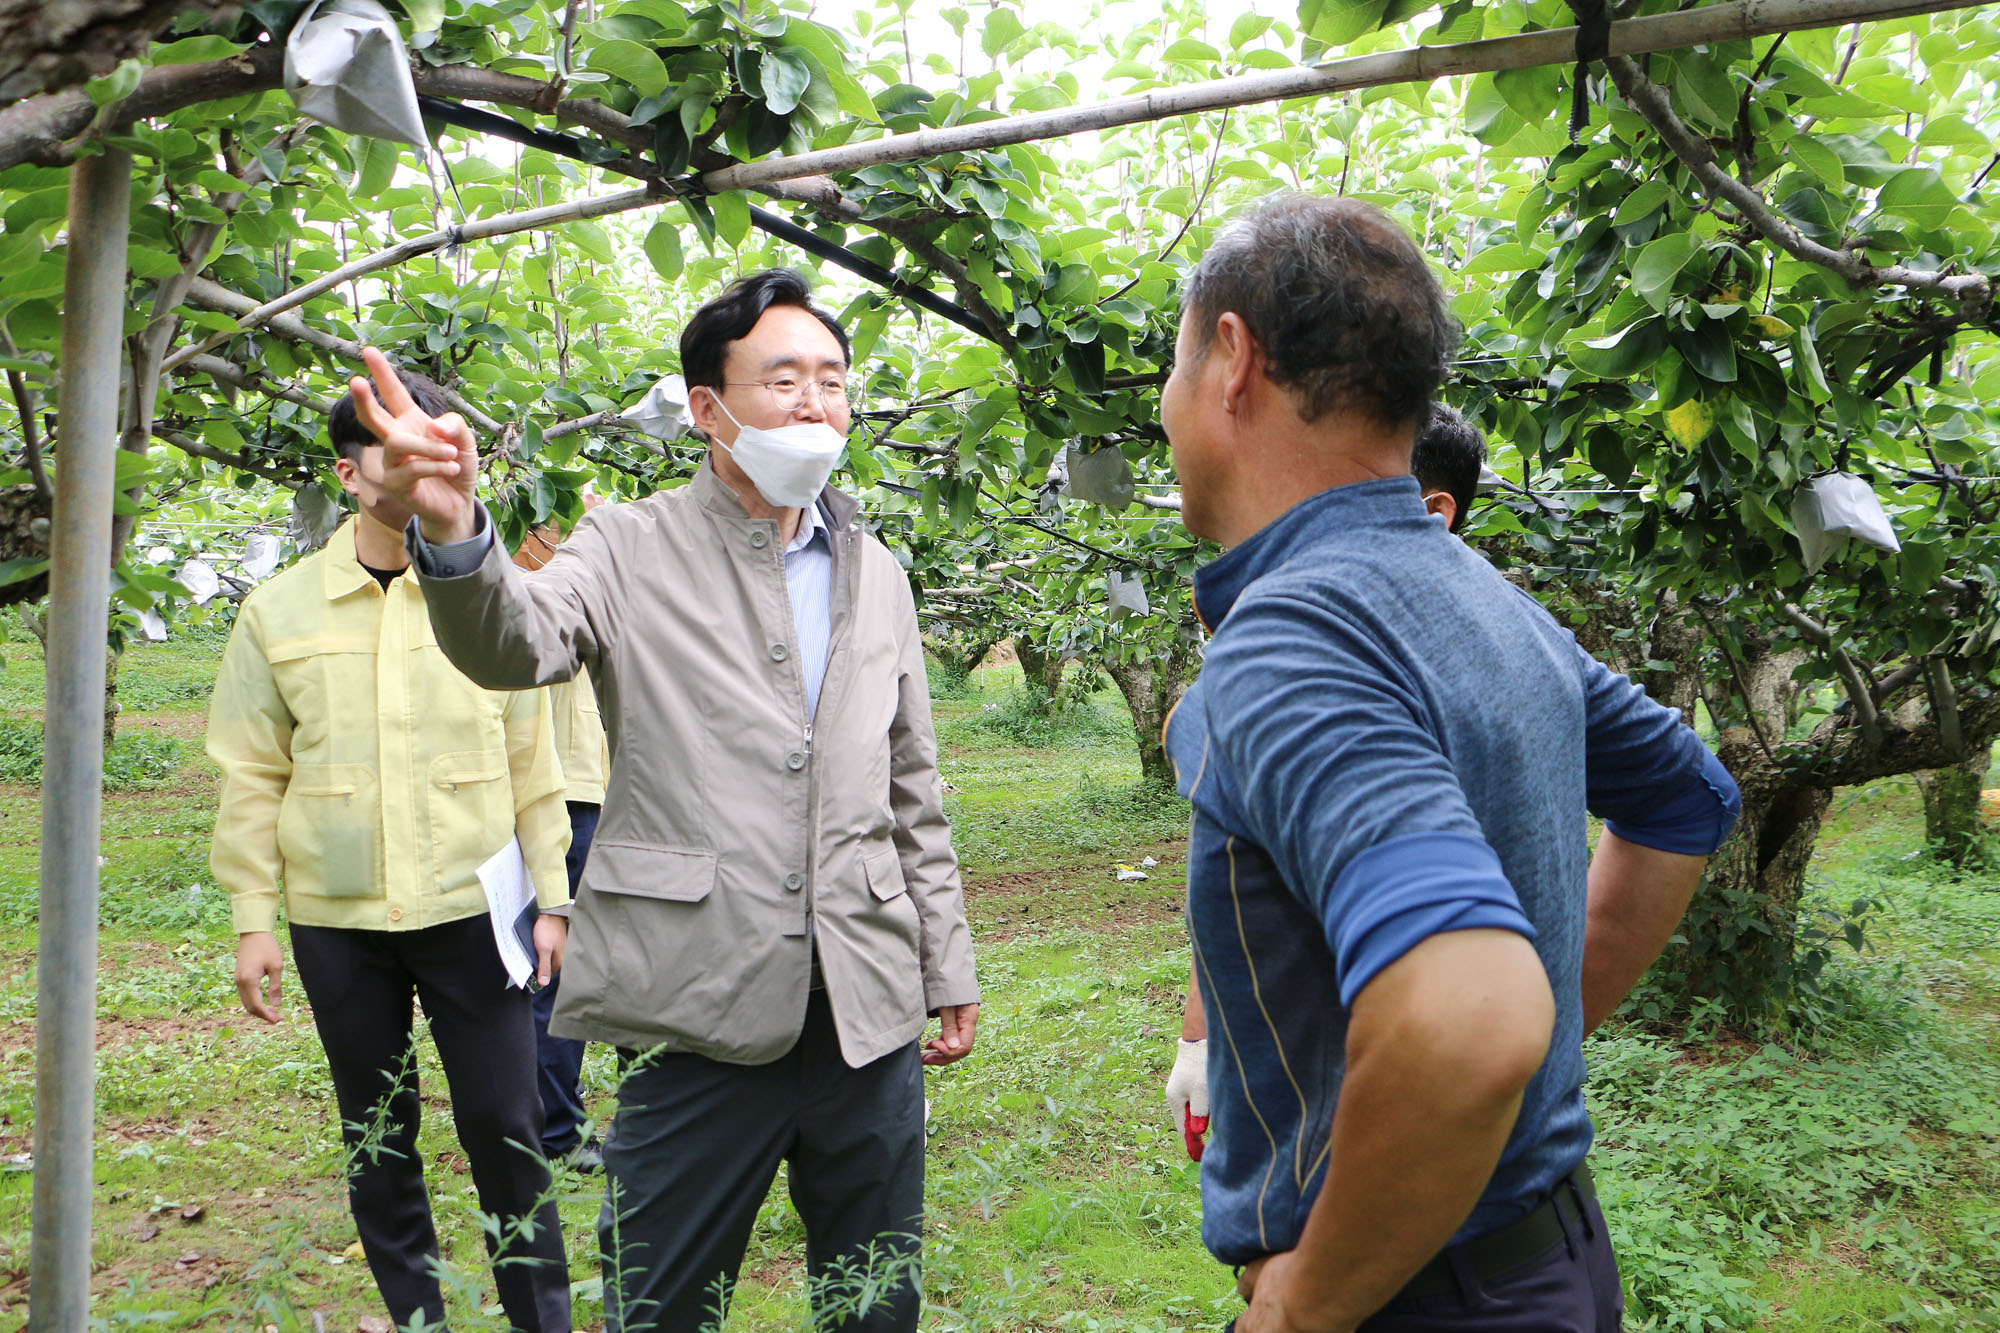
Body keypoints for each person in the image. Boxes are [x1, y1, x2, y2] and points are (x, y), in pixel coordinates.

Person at [345, 268, 981, 1333]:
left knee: (874, 1300)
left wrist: (943, 959)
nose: (813, 405)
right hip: (698, 1000)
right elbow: (520, 642)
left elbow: (908, 779)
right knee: (660, 1300)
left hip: (862, 1001)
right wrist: (457, 530)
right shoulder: (630, 546)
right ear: (708, 409)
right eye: (782, 380)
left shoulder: (878, 568)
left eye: (831, 380)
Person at [1157, 194, 1741, 1332]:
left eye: (1172, 369)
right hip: (1551, 1257)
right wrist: (1538, 1049)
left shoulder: (1291, 634)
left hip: (1419, 1295)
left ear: (1231, 361)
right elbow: (1683, 798)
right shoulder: (1479, 596)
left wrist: (1303, 1308)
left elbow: (1466, 1017)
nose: (1166, 408)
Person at [208, 367, 574, 1333]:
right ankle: (418, 1315)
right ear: (350, 471)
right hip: (339, 918)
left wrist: (556, 896)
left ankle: (542, 1317)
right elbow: (252, 773)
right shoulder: (278, 613)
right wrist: (254, 919)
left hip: (470, 907)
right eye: (394, 444)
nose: (420, 462)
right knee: (377, 1132)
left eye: (435, 440)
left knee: (508, 1124)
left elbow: (535, 763)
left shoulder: (488, 602)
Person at [1165, 405, 1492, 1141]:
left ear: (1432, 511)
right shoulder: (1510, 632)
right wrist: (1199, 1034)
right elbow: (1232, 864)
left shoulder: (1328, 667)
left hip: (1362, 1116)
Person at [512, 499, 614, 1173]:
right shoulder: (534, 600)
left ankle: (551, 1117)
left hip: (593, 797)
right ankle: (555, 1129)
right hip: (568, 801)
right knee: (556, 971)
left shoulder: (581, 595)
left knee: (572, 968)